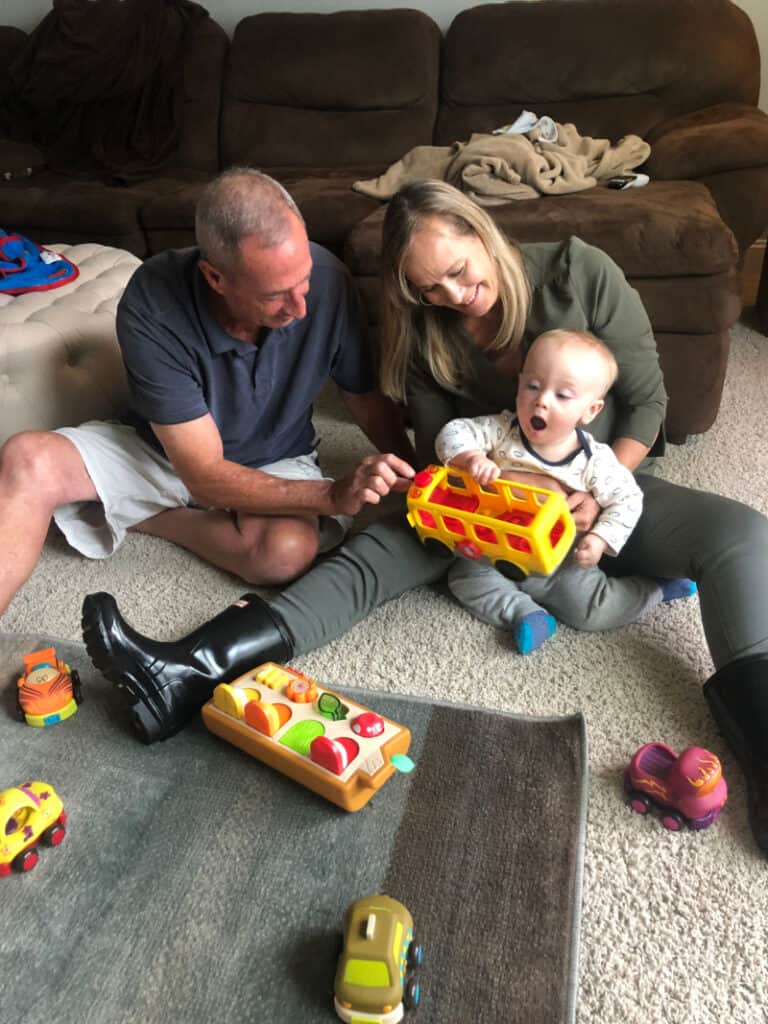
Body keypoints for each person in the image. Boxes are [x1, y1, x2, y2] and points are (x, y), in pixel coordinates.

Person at [81, 180, 768, 856]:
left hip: (600, 492)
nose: (452, 297)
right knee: (372, 553)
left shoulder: (579, 273)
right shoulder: (425, 326)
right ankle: (189, 669)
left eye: (459, 273)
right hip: (484, 513)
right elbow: (435, 450)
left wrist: (594, 495)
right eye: (428, 289)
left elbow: (648, 402)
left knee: (741, 538)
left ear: (482, 233)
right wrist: (457, 499)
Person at [0, 167, 414, 618]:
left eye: (304, 280)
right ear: (215, 278)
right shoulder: (152, 301)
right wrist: (331, 497)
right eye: (275, 295)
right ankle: (141, 500)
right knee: (27, 459)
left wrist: (419, 475)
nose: (300, 308)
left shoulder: (330, 281)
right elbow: (203, 472)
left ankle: (146, 515)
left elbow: (365, 396)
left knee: (285, 554)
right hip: (163, 450)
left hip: (271, 457)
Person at [435, 328, 695, 654]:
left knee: (593, 610)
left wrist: (600, 540)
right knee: (463, 578)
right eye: (532, 386)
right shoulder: (501, 430)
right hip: (493, 547)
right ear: (519, 386)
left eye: (562, 395)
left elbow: (628, 498)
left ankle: (654, 590)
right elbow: (453, 432)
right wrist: (471, 456)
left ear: (590, 411)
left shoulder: (594, 460)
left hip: (560, 562)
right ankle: (525, 614)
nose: (541, 400)